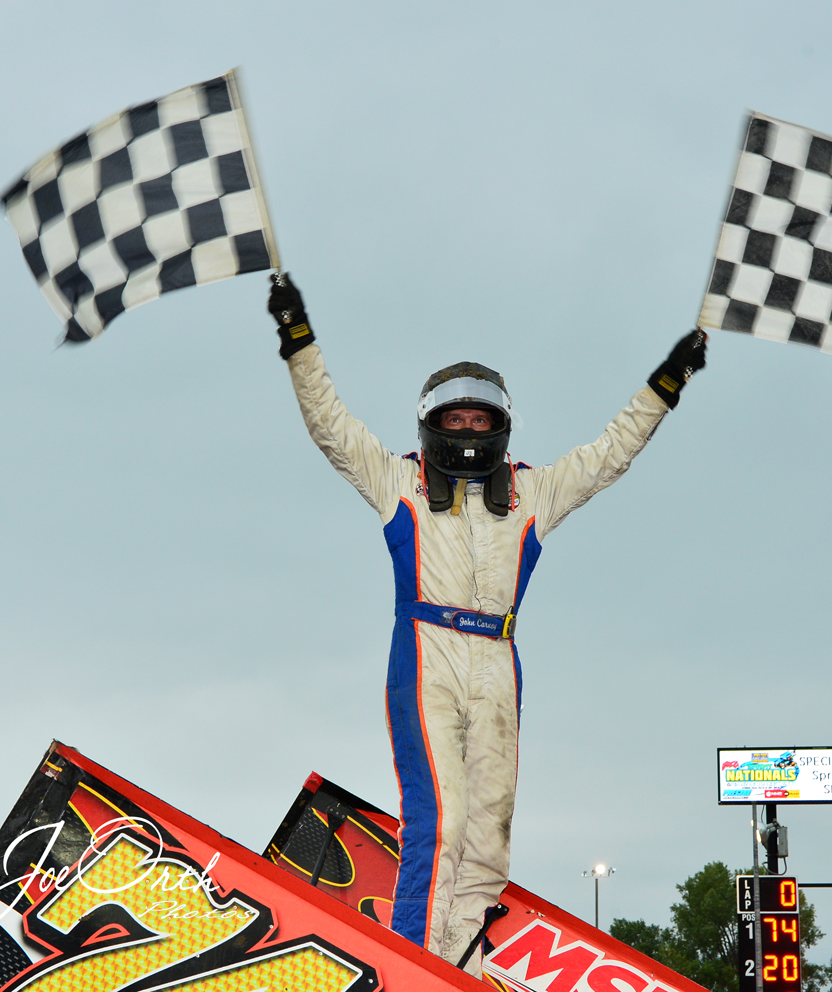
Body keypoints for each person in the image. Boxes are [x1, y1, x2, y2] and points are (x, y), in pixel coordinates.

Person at [267, 274, 706, 973]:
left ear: (499, 427)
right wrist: (298, 340)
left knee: (486, 844)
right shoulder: (397, 480)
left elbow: (608, 455)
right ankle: (411, 970)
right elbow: (329, 423)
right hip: (425, 651)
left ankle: (456, 973)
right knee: (438, 827)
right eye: (455, 419)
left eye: (479, 419)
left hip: (499, 660)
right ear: (431, 427)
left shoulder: (531, 491)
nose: (467, 429)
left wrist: (666, 383)